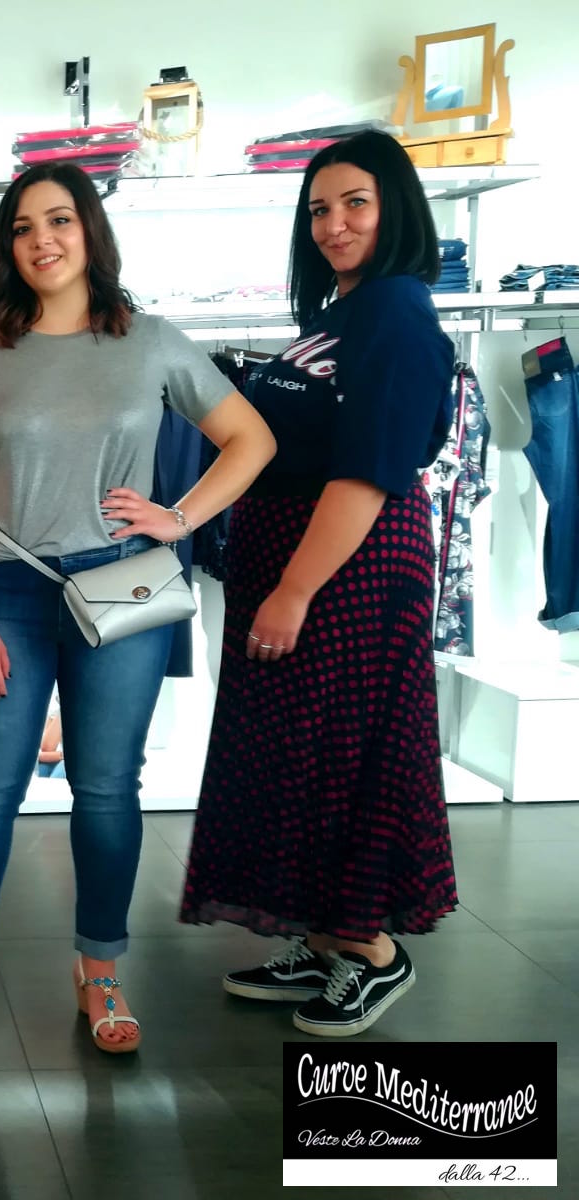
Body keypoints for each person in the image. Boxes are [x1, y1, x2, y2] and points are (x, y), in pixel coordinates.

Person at [0, 163, 275, 1076]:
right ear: (6, 246)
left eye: (60, 220)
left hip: (124, 588)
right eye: (23, 226)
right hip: (7, 590)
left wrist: (180, 517)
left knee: (110, 790)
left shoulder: (149, 341)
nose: (42, 239)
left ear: (89, 231)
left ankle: (102, 973)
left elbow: (253, 439)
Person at [179, 131, 460, 1037]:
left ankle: (372, 950)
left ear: (395, 209)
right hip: (305, 561)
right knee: (294, 759)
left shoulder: (397, 316)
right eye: (319, 210)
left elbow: (367, 476)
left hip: (349, 574)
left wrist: (295, 590)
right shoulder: (346, 311)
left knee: (343, 757)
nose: (334, 225)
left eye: (355, 204)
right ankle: (323, 936)